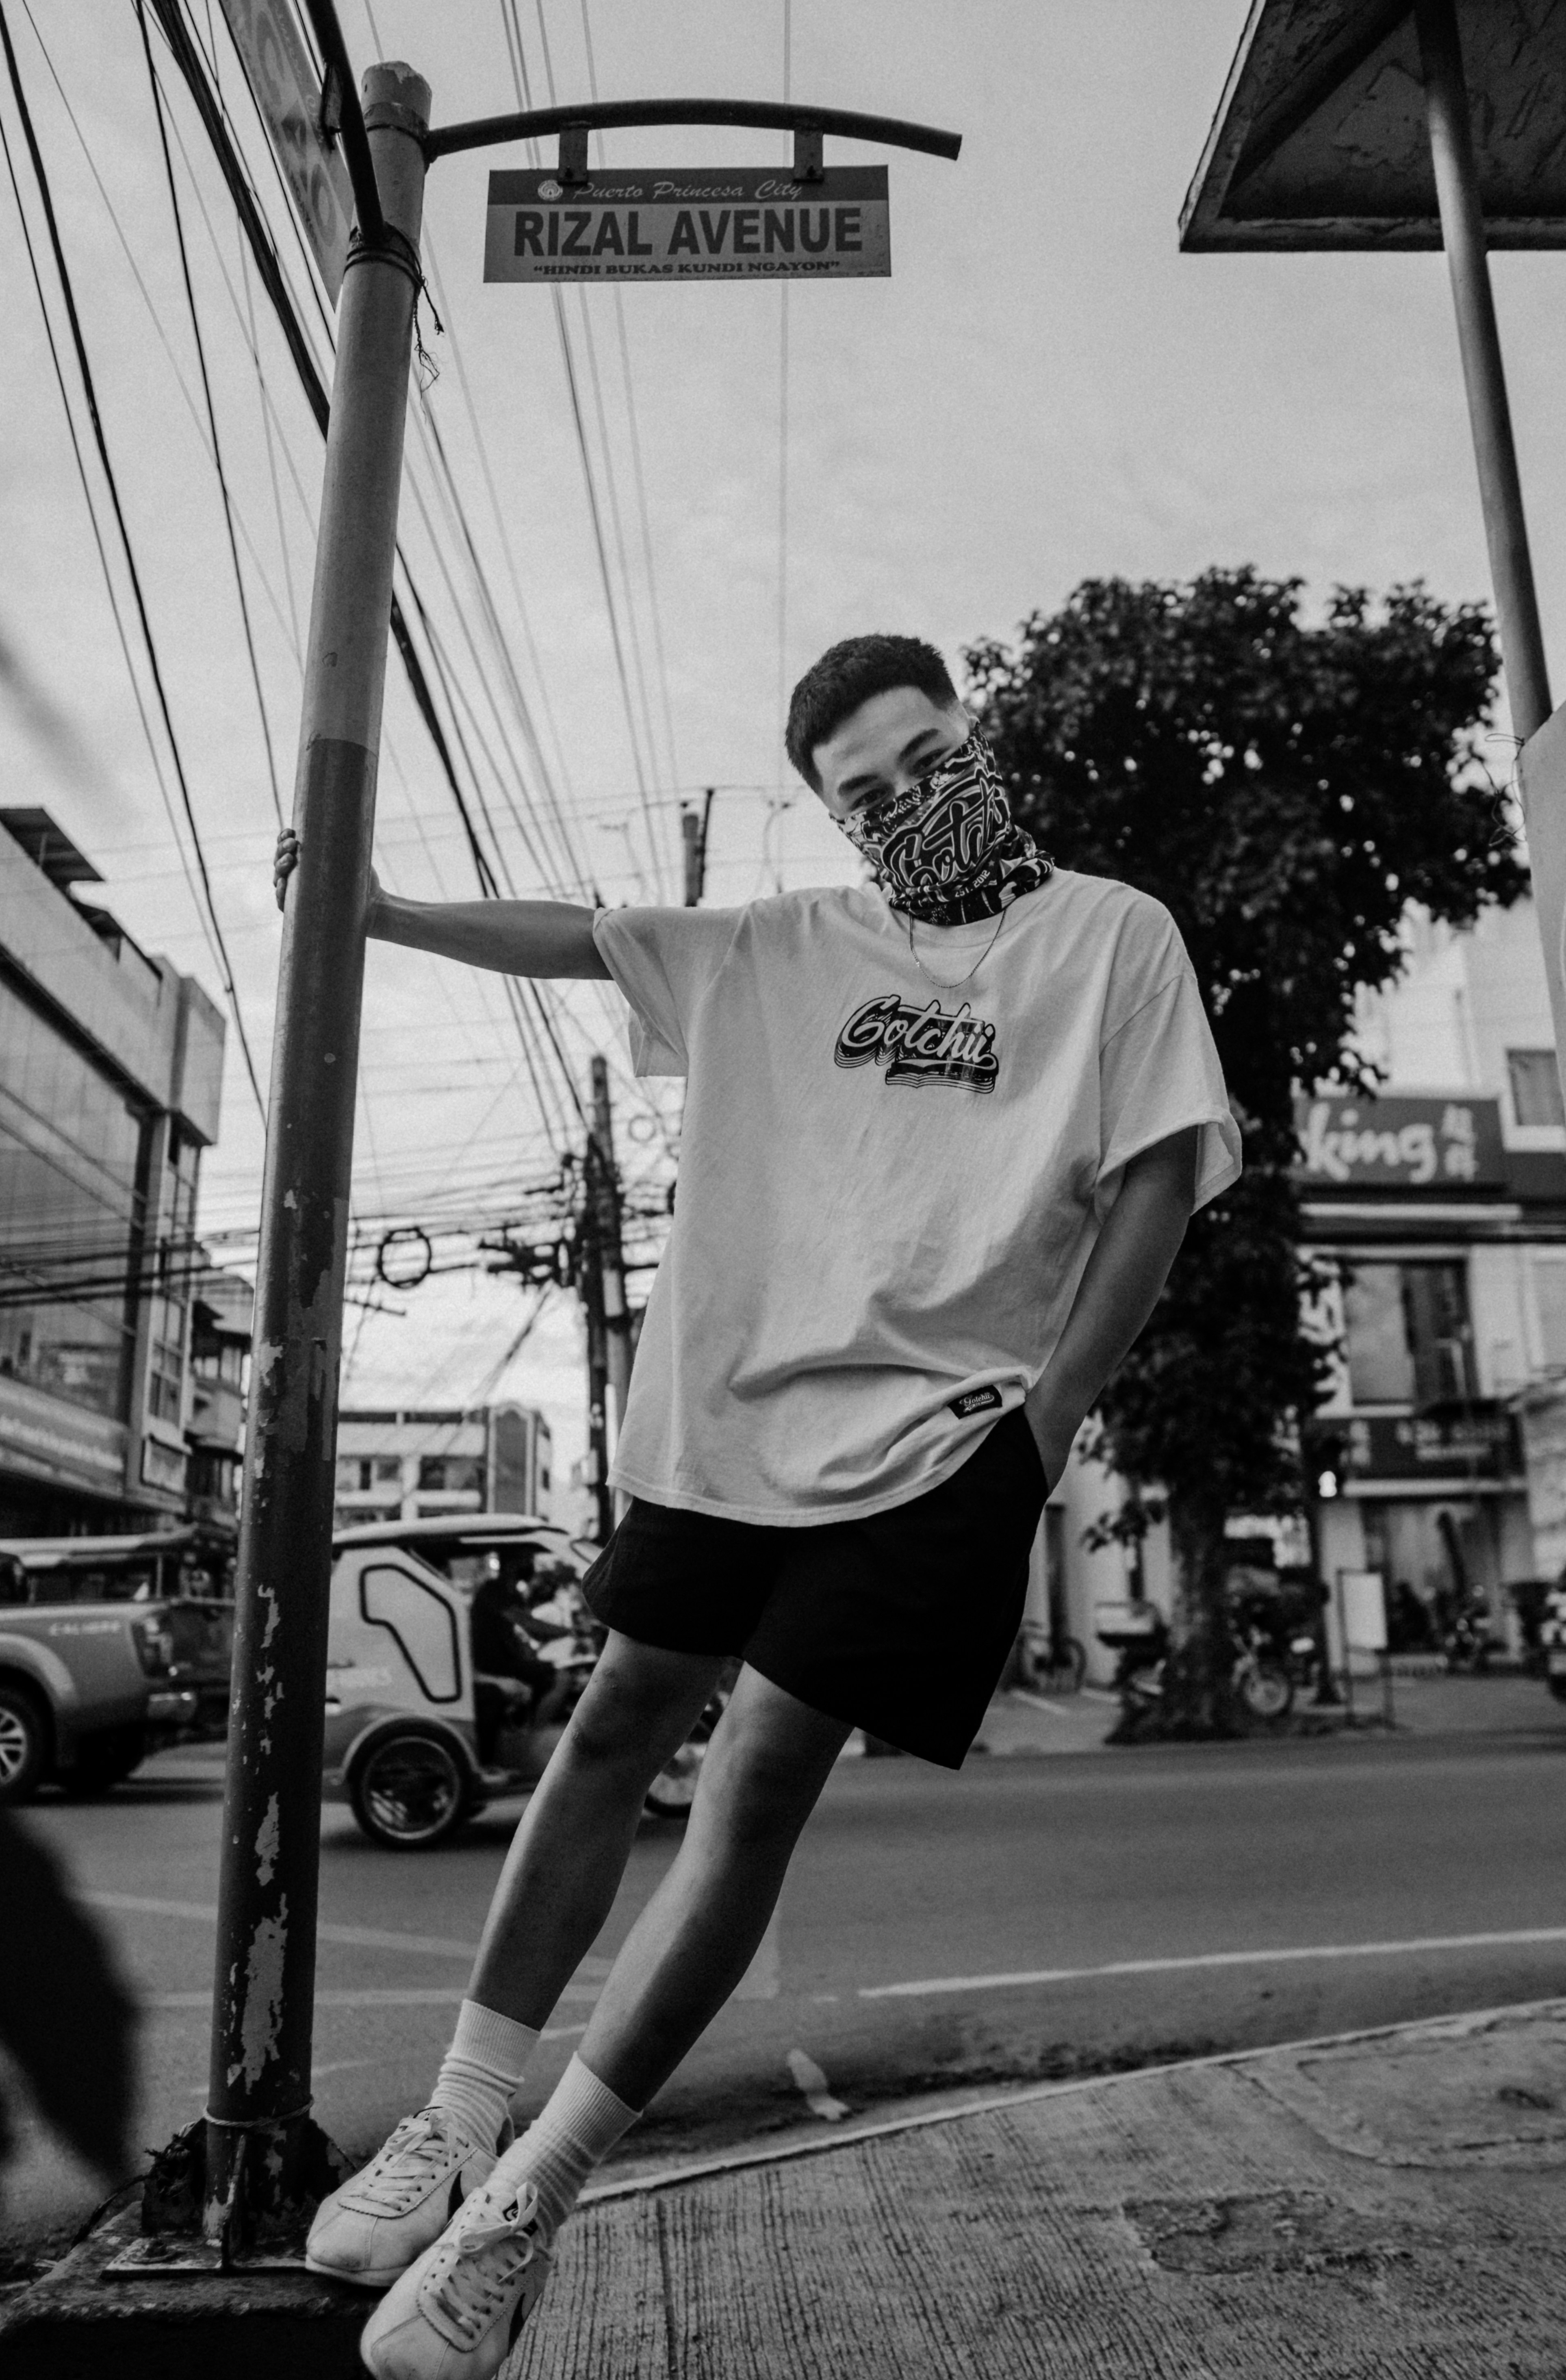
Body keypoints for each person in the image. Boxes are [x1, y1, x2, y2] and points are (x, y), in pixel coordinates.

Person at [278, 635, 1241, 2380]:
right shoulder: (789, 948)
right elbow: (586, 936)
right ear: (836, 823)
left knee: (752, 1787)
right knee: (611, 1726)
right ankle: (458, 2123)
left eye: (925, 755)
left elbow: (1160, 1174)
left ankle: (529, 2206)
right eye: (863, 794)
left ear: (977, 739)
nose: (905, 801)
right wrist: (384, 912)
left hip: (945, 1448)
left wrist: (1046, 1422)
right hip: (731, 1421)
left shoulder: (1110, 936)